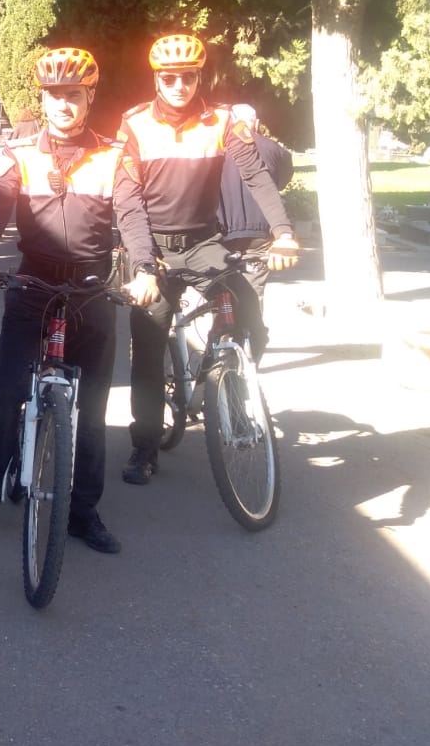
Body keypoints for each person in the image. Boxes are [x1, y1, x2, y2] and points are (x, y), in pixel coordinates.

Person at [0, 48, 156, 554]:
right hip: (34, 281)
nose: (64, 104)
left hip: (92, 288)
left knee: (91, 413)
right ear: (43, 99)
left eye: (73, 94)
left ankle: (84, 512)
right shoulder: (21, 152)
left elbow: (133, 216)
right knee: (8, 390)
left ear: (89, 97)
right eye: (55, 95)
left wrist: (146, 270)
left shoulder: (115, 154)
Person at [117, 34, 300, 486]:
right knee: (148, 344)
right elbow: (128, 200)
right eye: (169, 77)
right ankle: (144, 446)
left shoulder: (221, 121)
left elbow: (256, 174)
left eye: (188, 76)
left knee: (246, 309)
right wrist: (142, 263)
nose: (179, 84)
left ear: (200, 76)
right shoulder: (135, 123)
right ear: (157, 78)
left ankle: (223, 372)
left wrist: (284, 233)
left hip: (202, 240)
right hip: (153, 244)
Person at [217, 103, 294, 306]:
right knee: (252, 297)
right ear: (257, 123)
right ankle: (250, 334)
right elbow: (281, 182)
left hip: (221, 230)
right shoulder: (276, 150)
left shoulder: (215, 149)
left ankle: (223, 331)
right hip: (260, 232)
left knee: (221, 294)